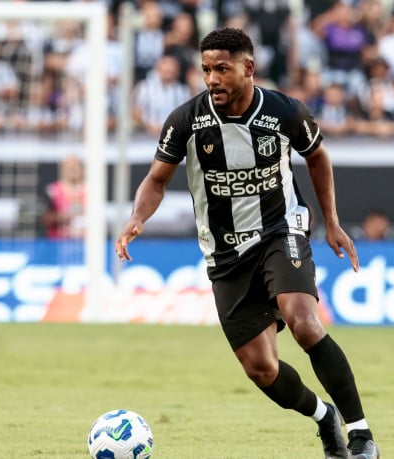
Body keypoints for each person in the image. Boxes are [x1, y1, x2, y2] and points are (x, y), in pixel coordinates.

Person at [115, 28, 379, 459]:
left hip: (281, 230)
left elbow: (317, 156)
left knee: (303, 322)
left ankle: (362, 436)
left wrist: (331, 222)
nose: (212, 79)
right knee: (261, 368)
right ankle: (323, 416)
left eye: (222, 69)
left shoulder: (284, 112)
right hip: (225, 254)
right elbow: (156, 179)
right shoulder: (186, 120)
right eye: (206, 70)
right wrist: (137, 218)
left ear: (248, 67)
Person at [42, 155, 86, 239]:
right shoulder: (52, 191)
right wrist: (64, 217)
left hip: (85, 241)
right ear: (62, 169)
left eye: (75, 167)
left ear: (82, 169)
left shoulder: (92, 192)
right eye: (69, 167)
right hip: (58, 241)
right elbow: (45, 218)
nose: (72, 170)